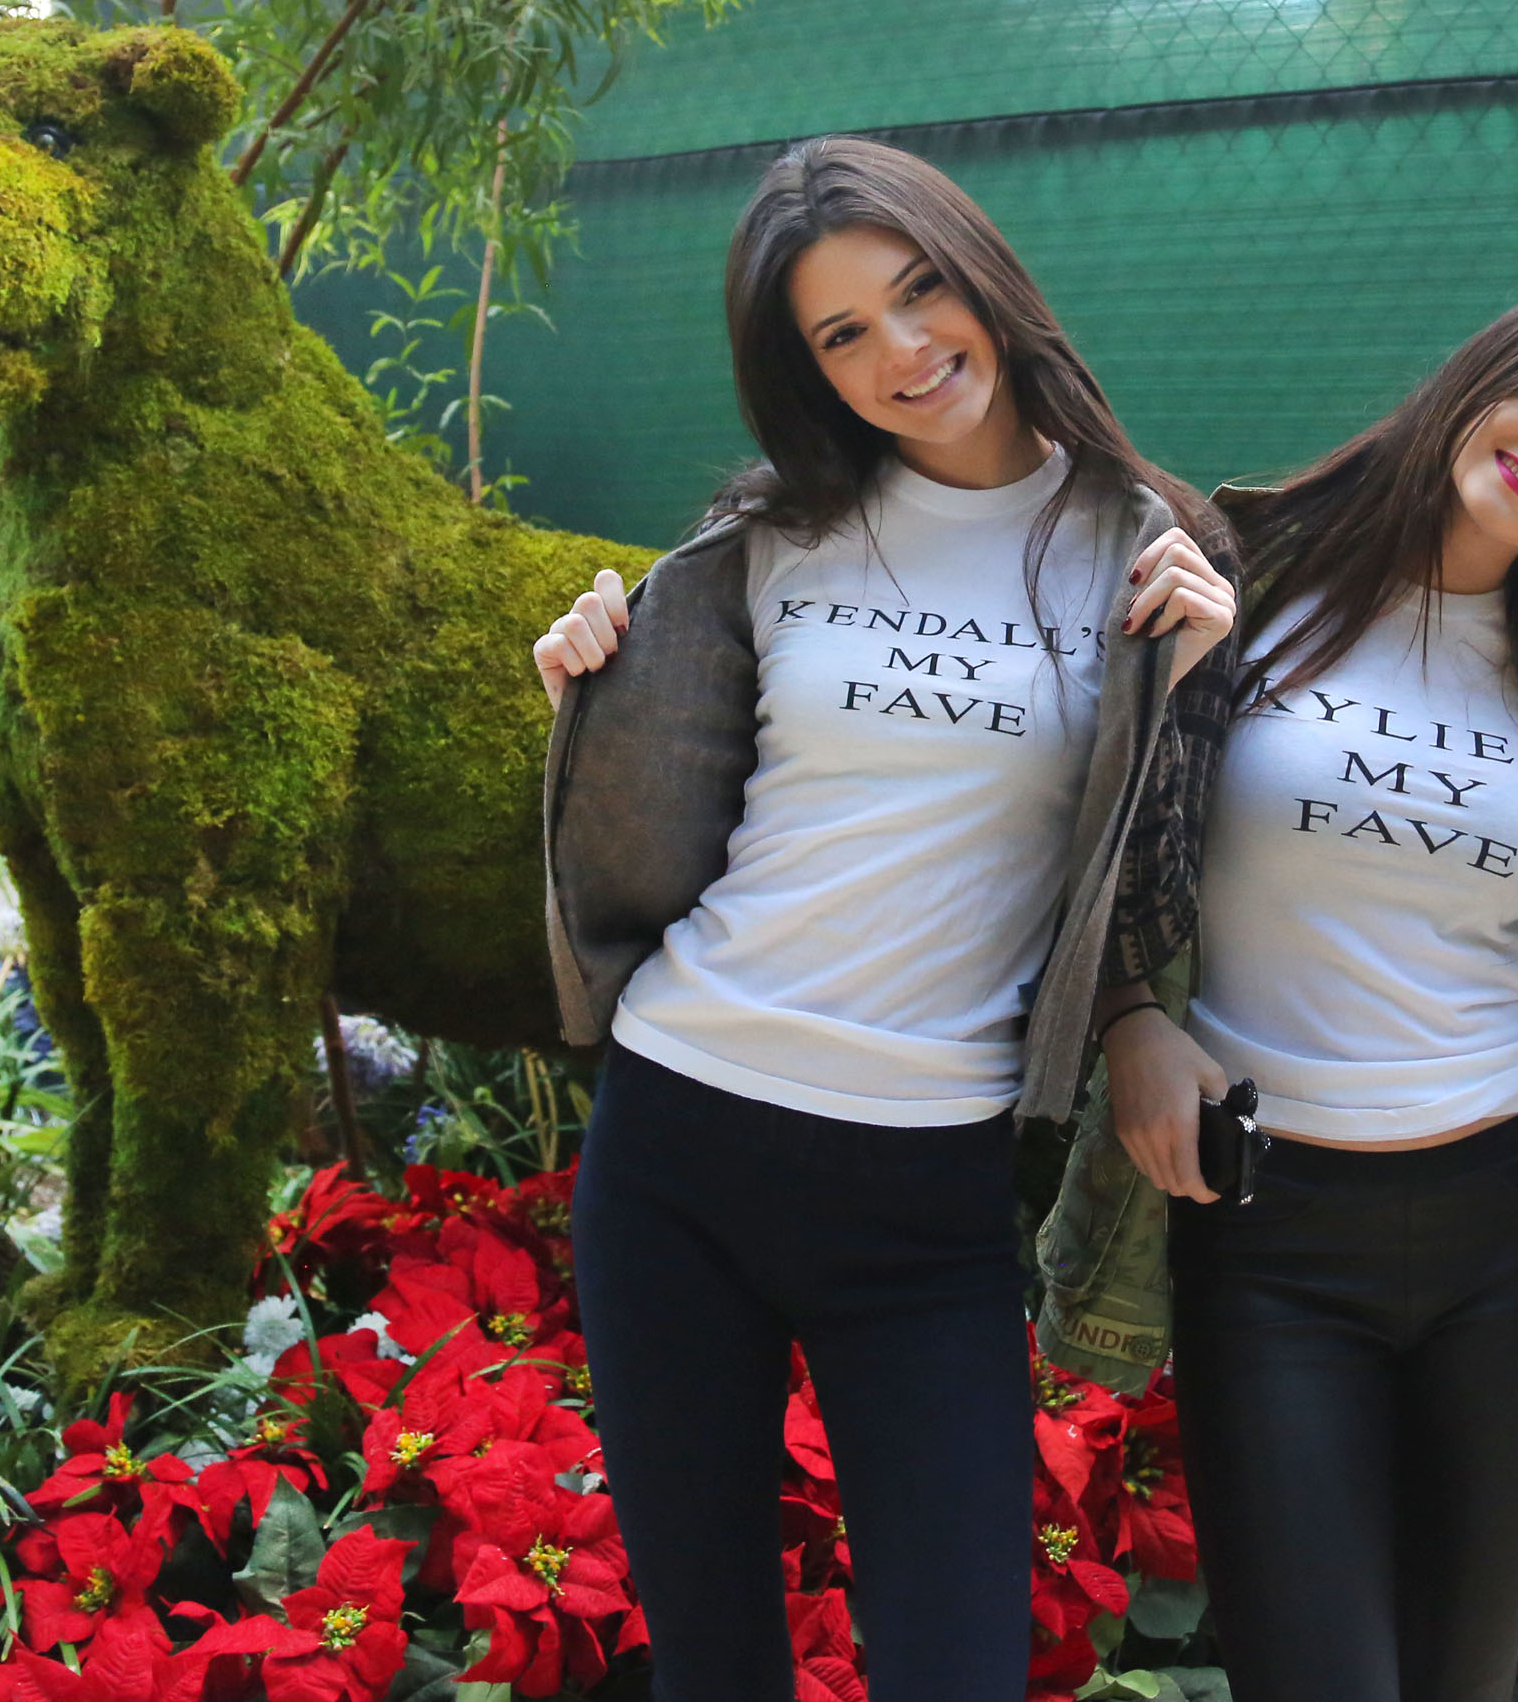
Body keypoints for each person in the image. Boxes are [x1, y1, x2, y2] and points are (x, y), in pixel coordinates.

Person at [531, 134, 1241, 1702]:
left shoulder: (1145, 549)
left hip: (926, 1184)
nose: (903, 352)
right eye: (844, 335)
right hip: (679, 1138)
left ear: (983, 275)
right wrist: (589, 685)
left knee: (958, 1660)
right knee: (714, 1661)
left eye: (920, 293)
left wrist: (1200, 685)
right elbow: (680, 789)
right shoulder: (774, 533)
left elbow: (1174, 869)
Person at [1081, 285, 1518, 1702]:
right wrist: (1132, 1015)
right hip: (1270, 1230)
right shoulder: (1246, 583)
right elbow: (1084, 834)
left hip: (1515, 1226)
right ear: (1484, 376)